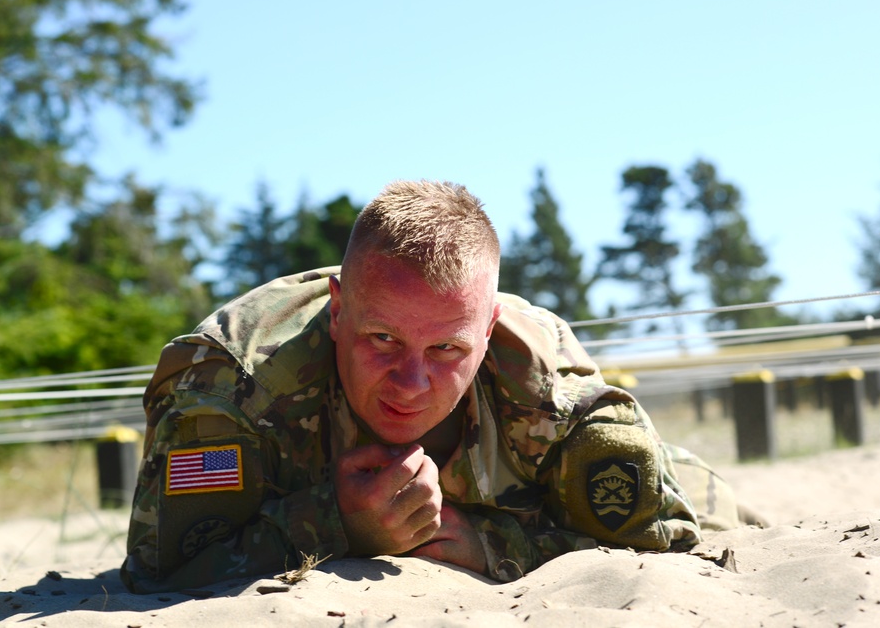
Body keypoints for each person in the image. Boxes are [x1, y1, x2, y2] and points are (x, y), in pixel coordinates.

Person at [121, 180, 744, 593]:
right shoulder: (232, 389)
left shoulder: (552, 393)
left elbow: (667, 553)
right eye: (383, 340)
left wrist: (490, 546)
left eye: (447, 349)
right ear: (338, 311)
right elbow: (157, 572)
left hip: (685, 481)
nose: (412, 383)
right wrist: (332, 524)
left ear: (489, 329)